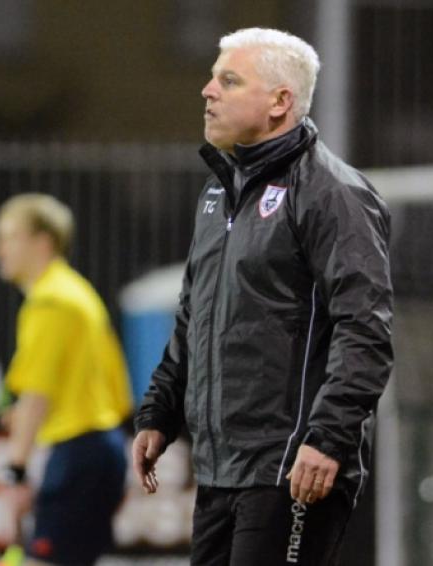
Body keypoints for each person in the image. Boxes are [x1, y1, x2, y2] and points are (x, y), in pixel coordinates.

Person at [131, 28, 394, 565]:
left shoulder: (332, 193)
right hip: (221, 468)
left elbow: (364, 326)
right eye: (212, 78)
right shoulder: (217, 192)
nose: (207, 91)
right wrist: (160, 411)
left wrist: (327, 438)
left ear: (280, 101)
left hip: (292, 466)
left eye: (228, 80)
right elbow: (193, 312)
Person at [0, 193, 133, 566]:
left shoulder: (51, 301)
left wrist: (16, 470)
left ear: (42, 242)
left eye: (9, 237)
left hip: (79, 456)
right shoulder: (74, 292)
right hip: (99, 451)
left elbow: (37, 395)